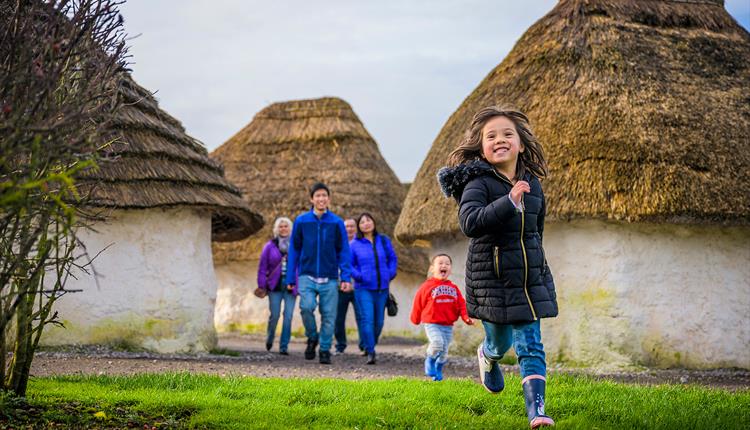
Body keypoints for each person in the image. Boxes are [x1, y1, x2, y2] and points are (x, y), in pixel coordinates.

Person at [437, 106, 558, 429]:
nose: (499, 140)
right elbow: (471, 223)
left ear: (520, 144)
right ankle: (487, 356)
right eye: (491, 136)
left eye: (507, 134)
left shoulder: (533, 184)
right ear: (481, 146)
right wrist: (509, 202)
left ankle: (537, 411)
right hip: (491, 280)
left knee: (530, 343)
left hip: (528, 278)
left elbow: (536, 231)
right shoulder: (478, 183)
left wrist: (539, 265)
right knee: (500, 343)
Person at [286, 182, 352, 364]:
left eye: (324, 196)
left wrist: (345, 276)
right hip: (306, 275)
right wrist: (291, 277)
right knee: (306, 308)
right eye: (318, 196)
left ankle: (324, 349)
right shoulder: (302, 221)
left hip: (330, 277)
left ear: (329, 199)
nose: (321, 199)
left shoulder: (337, 222)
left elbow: (344, 251)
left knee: (329, 316)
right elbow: (294, 250)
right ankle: (312, 336)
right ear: (311, 199)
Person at [410, 253, 473, 381]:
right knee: (437, 343)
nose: (444, 265)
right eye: (440, 263)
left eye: (447, 263)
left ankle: (438, 370)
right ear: (432, 268)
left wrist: (466, 317)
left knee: (444, 353)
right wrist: (415, 319)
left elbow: (461, 304)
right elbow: (418, 303)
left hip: (448, 325)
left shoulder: (453, 288)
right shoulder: (426, 286)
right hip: (432, 323)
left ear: (450, 269)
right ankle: (430, 360)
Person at [350, 212, 398, 364]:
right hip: (363, 289)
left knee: (379, 322)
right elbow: (348, 265)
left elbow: (392, 258)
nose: (366, 223)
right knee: (367, 320)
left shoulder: (383, 240)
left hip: (382, 288)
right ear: (359, 226)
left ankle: (369, 344)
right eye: (362, 222)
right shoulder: (354, 245)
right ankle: (371, 351)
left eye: (368, 220)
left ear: (373, 222)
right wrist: (359, 276)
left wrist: (390, 273)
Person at [257, 217, 296, 355]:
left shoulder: (296, 245)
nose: (283, 229)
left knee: (288, 315)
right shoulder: (269, 246)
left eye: (286, 226)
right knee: (275, 315)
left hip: (291, 285)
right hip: (275, 286)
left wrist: (298, 283)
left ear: (290, 228)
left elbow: (300, 266)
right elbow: (262, 267)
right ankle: (270, 336)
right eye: (281, 226)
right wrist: (262, 285)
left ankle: (284, 346)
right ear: (277, 229)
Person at [334, 218, 364, 355]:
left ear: (356, 228)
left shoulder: (362, 244)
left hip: (358, 287)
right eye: (346, 226)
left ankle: (364, 345)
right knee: (338, 318)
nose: (349, 229)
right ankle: (340, 345)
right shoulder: (337, 245)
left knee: (362, 317)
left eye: (352, 226)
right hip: (340, 287)